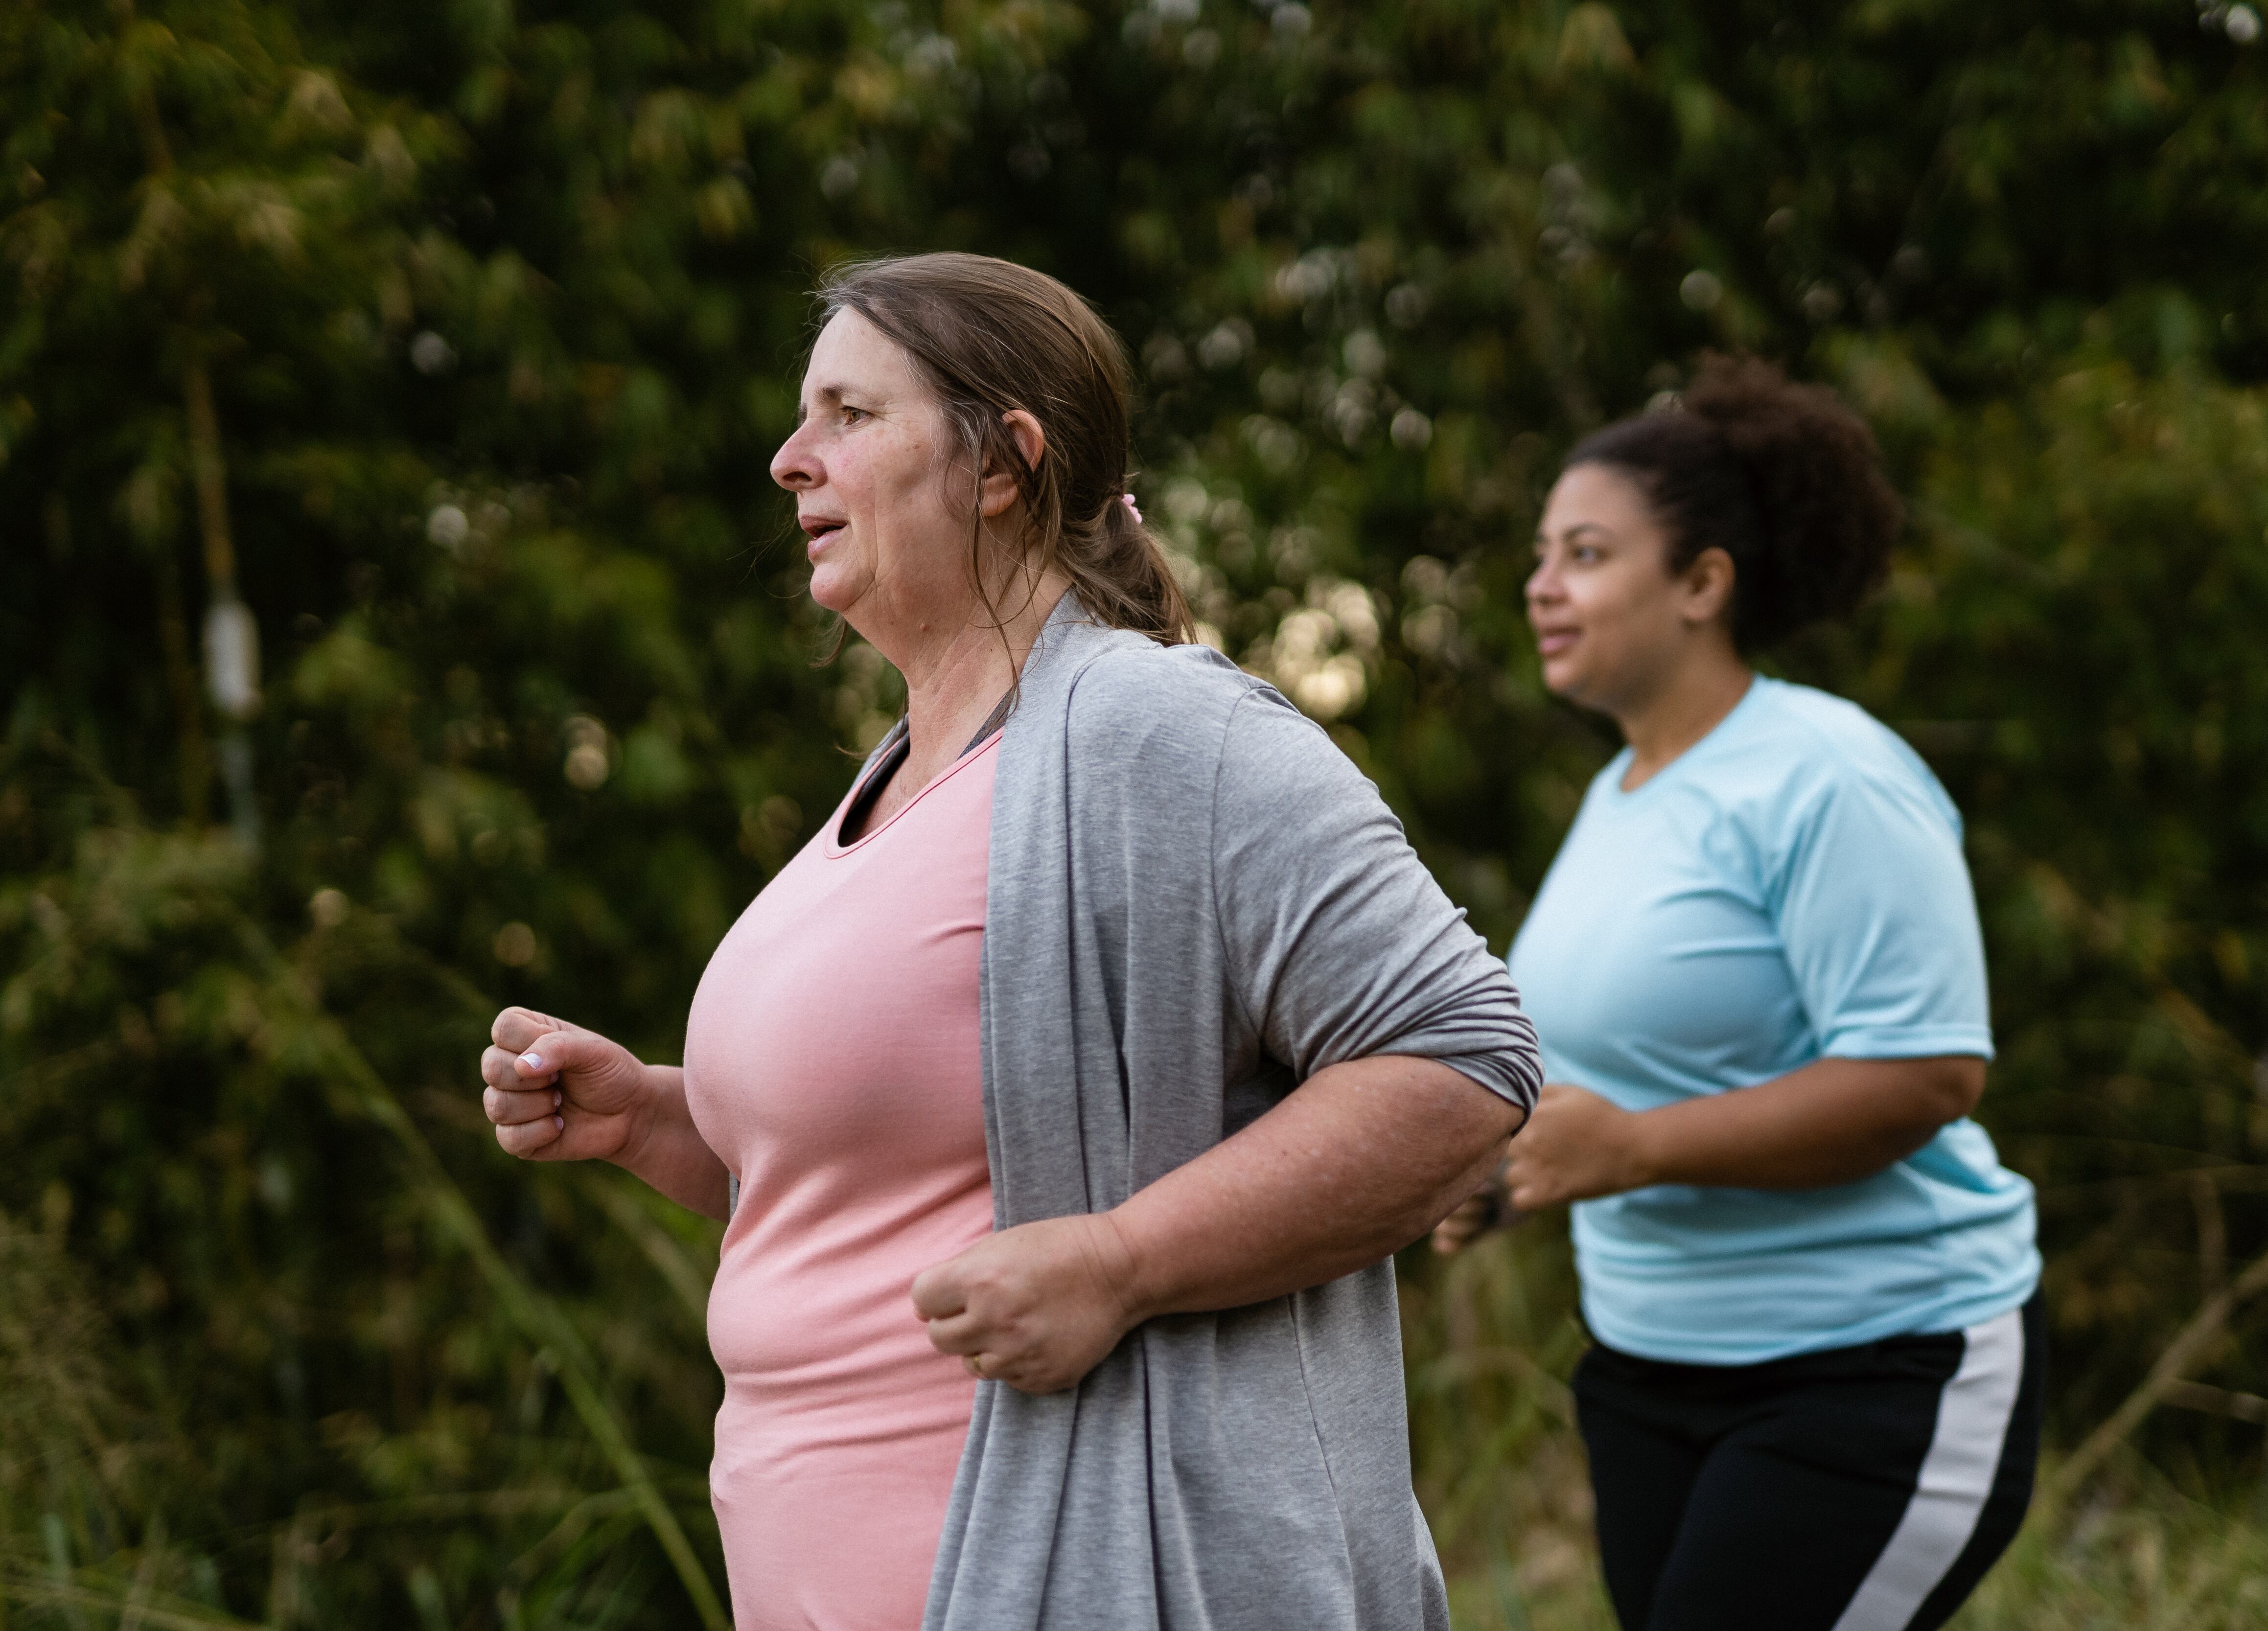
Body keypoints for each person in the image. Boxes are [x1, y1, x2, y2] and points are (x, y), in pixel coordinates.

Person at [474, 252, 1542, 1631]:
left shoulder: (1161, 733)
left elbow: (1465, 1057)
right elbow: (890, 1202)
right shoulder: (888, 781)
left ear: (1002, 463)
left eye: (851, 416)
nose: (791, 459)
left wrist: (1123, 1262)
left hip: (1064, 1575)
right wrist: (653, 1122)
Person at [1436, 357, 2042, 1631]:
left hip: (1873, 1374)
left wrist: (1639, 1150)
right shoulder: (1620, 799)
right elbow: (1615, 1072)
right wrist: (1510, 1170)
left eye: (1588, 553)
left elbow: (1925, 1076)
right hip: (1649, 1374)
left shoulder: (1829, 775)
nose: (1541, 585)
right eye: (1543, 554)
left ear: (1704, 583)